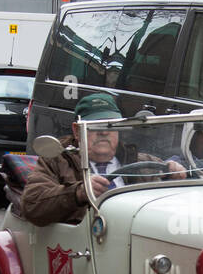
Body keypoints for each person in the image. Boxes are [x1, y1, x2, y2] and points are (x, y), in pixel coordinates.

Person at [19, 93, 186, 226]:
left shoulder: (139, 161)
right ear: (77, 131)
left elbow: (180, 186)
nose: (104, 132)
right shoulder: (57, 161)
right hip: (86, 245)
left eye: (111, 125)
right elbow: (32, 204)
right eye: (96, 125)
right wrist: (79, 192)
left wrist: (173, 172)